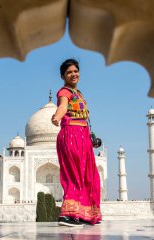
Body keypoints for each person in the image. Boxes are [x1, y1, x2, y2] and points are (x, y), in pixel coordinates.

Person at [51, 59, 102, 226]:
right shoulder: (64, 92)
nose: (73, 74)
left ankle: (85, 214)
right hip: (71, 134)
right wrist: (57, 117)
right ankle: (67, 215)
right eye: (69, 72)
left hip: (83, 136)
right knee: (74, 174)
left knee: (89, 176)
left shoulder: (79, 93)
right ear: (63, 76)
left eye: (75, 71)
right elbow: (63, 107)